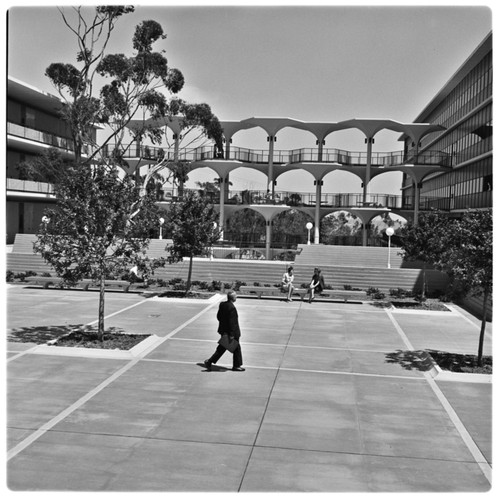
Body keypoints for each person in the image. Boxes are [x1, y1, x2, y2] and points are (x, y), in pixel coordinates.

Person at [204, 290, 244, 372]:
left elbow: (219, 317)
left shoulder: (222, 305)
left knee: (222, 348)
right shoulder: (232, 308)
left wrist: (224, 326)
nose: (236, 297)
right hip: (231, 333)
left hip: (224, 331)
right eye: (235, 296)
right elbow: (232, 323)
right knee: (235, 348)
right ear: (233, 298)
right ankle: (236, 366)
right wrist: (232, 334)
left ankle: (209, 361)